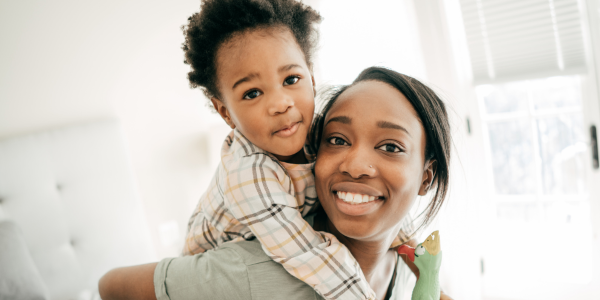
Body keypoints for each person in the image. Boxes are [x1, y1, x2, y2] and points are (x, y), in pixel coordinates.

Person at [98, 66, 453, 300]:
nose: (356, 165)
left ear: (425, 177)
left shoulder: (410, 268)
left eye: (390, 147)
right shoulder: (252, 270)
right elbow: (110, 286)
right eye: (338, 140)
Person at [177, 1, 412, 299]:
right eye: (252, 93)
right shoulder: (249, 172)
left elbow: (380, 200)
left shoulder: (319, 134)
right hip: (211, 279)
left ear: (311, 79)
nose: (280, 103)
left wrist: (413, 252)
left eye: (291, 79)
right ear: (225, 113)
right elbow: (308, 255)